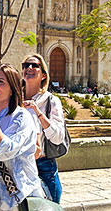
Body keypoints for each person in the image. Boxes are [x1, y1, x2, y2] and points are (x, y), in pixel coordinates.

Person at [0, 63, 44, 211]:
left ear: (12, 89)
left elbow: (4, 151)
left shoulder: (21, 117)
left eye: (0, 82)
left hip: (21, 198)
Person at [21, 53, 66, 204]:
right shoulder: (13, 99)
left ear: (43, 75)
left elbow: (58, 137)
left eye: (35, 65)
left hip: (43, 165)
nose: (30, 68)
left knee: (50, 206)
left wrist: (38, 112)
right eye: (26, 65)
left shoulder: (51, 101)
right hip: (18, 164)